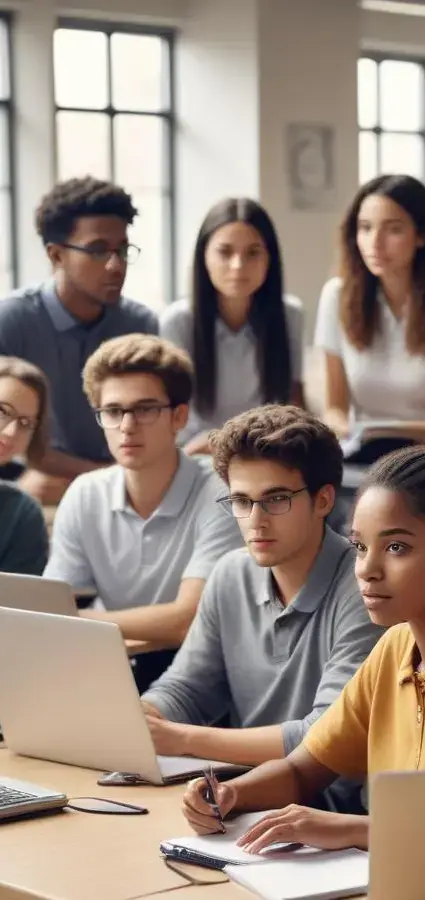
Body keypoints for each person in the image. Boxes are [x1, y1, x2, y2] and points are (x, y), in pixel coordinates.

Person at [180, 446, 425, 852]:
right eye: (359, 547)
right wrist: (231, 793)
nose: (367, 570)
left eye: (396, 548)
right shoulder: (396, 647)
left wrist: (355, 830)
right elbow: (303, 770)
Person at [141, 406, 382, 792]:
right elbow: (188, 688)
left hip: (334, 816)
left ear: (323, 501)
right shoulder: (229, 574)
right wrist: (141, 717)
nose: (256, 520)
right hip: (241, 795)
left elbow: (323, 734)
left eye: (276, 499)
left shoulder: (367, 586)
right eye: (241, 501)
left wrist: (182, 739)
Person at [43, 335, 243, 690]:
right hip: (110, 660)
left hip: (204, 673)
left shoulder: (222, 494)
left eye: (146, 409)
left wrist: (76, 620)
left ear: (178, 417)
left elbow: (188, 620)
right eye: (113, 411)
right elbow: (51, 610)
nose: (127, 426)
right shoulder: (84, 493)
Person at [0, 177, 158, 505]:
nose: (116, 265)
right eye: (98, 250)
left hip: (122, 482)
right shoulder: (11, 322)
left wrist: (108, 479)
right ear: (56, 255)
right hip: (37, 483)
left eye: (123, 250)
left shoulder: (140, 325)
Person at [313, 175, 425, 452]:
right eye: (365, 228)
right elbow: (334, 410)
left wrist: (374, 433)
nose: (375, 243)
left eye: (393, 230)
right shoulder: (336, 298)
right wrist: (355, 436)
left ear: (423, 235)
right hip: (364, 463)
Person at [160, 198, 305, 456]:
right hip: (197, 453)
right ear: (203, 255)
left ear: (269, 258)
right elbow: (172, 414)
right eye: (225, 252)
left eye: (252, 253)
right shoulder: (178, 321)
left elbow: (293, 403)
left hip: (266, 451)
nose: (238, 266)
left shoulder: (289, 314)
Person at [0, 357, 50, 575]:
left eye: (25, 423)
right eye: (2, 411)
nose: (12, 432)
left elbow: (16, 605)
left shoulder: (22, 513)